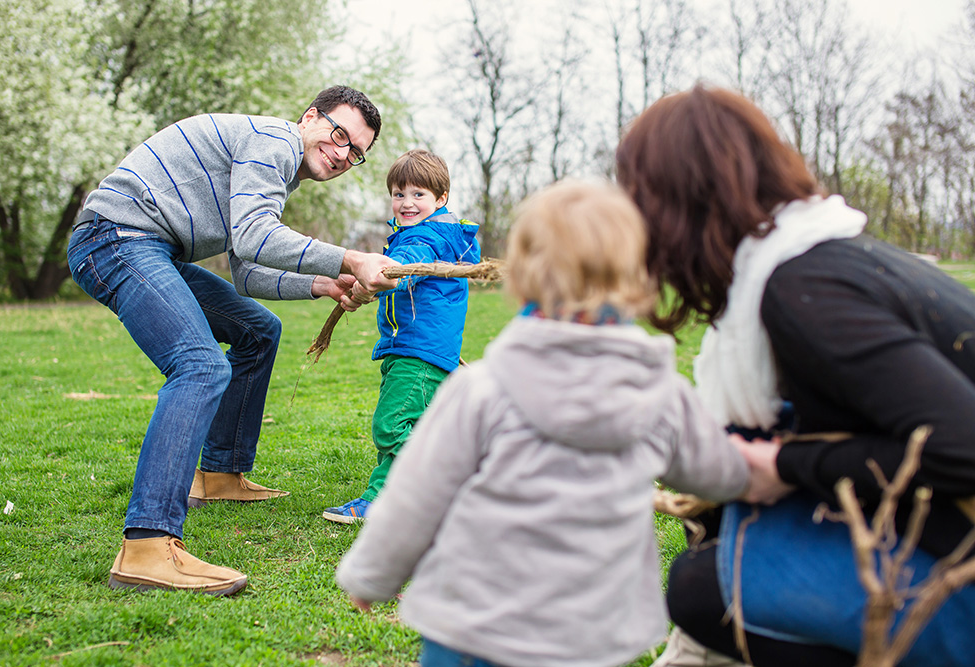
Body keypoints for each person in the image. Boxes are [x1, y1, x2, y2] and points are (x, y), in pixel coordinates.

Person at [615, 84, 975, 667]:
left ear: (674, 201)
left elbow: (962, 443)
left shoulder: (803, 291)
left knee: (702, 588)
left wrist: (782, 468)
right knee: (715, 553)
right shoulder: (831, 254)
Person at [334, 179, 751, 667]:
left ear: (522, 277)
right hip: (587, 636)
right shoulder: (661, 395)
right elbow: (719, 476)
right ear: (639, 277)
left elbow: (416, 494)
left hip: (470, 625)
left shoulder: (481, 391)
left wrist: (371, 575)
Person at [66, 85, 400, 596]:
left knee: (258, 329)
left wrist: (323, 284)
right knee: (200, 366)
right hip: (115, 238)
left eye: (357, 153)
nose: (342, 155)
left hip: (148, 248)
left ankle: (219, 475)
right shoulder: (274, 141)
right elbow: (254, 239)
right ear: (310, 117)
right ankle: (148, 546)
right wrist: (352, 260)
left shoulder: (275, 169)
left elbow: (248, 273)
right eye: (339, 136)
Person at [323, 149, 481, 523]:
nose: (406, 203)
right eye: (399, 194)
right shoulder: (425, 233)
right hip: (411, 347)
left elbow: (406, 267)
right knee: (407, 424)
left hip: (419, 352)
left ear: (441, 198)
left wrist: (373, 281)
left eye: (418, 194)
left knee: (391, 425)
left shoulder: (427, 238)